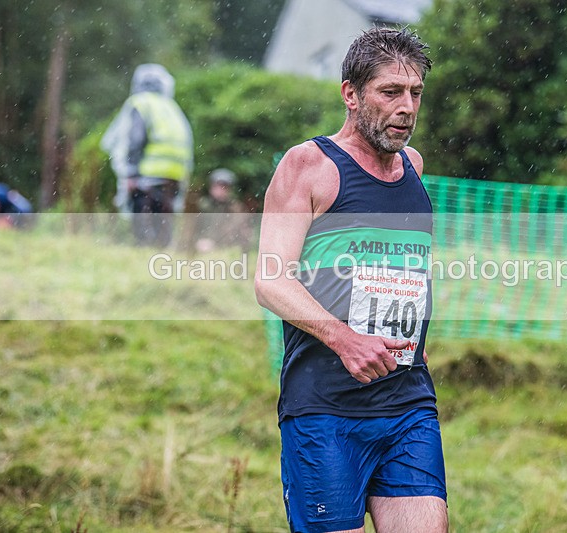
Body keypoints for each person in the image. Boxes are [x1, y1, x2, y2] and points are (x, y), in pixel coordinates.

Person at [254, 28, 447, 533]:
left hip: (407, 401)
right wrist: (345, 338)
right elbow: (271, 281)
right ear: (351, 94)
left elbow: (402, 266)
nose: (406, 107)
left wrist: (417, 332)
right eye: (390, 92)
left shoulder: (413, 167)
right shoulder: (309, 166)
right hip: (325, 408)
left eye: (415, 93)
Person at [101, 63, 193, 247]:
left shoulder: (141, 103)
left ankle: (142, 256)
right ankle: (160, 262)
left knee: (142, 225)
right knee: (163, 224)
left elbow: (134, 139)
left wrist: (131, 174)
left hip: (148, 175)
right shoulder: (171, 107)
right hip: (174, 176)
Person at [193, 168, 251, 252]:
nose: (221, 190)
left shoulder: (236, 208)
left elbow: (242, 231)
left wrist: (216, 243)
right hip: (199, 247)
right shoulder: (200, 205)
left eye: (225, 187)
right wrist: (197, 242)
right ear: (211, 187)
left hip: (226, 248)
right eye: (218, 186)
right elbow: (190, 229)